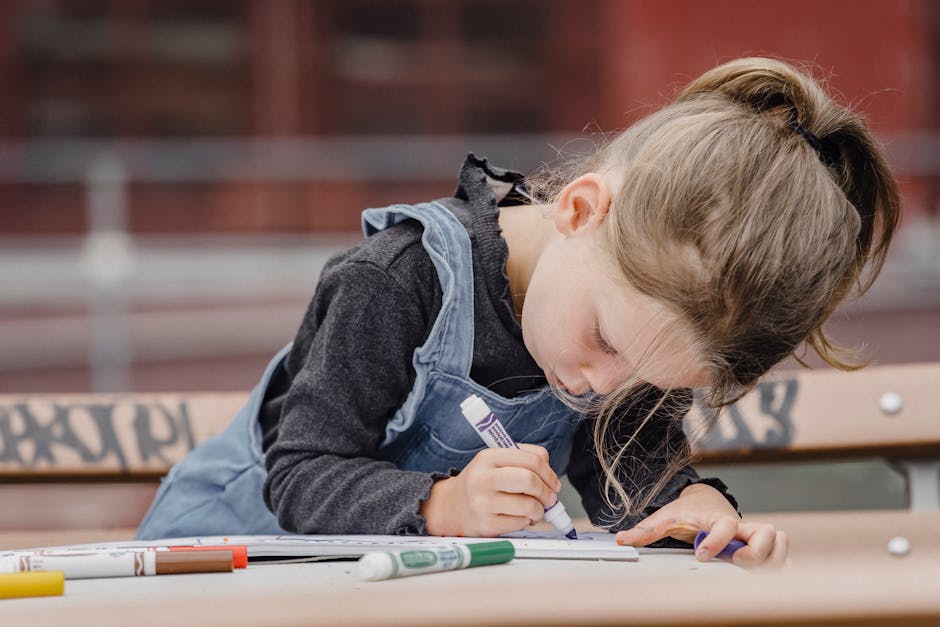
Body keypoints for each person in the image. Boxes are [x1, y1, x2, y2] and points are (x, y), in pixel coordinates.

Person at [136, 58, 899, 569]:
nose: (596, 384)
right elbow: (300, 473)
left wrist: (686, 506)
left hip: (374, 587)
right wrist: (443, 503)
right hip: (219, 558)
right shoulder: (397, 280)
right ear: (579, 207)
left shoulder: (644, 324)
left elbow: (621, 462)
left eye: (645, 378)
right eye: (603, 339)